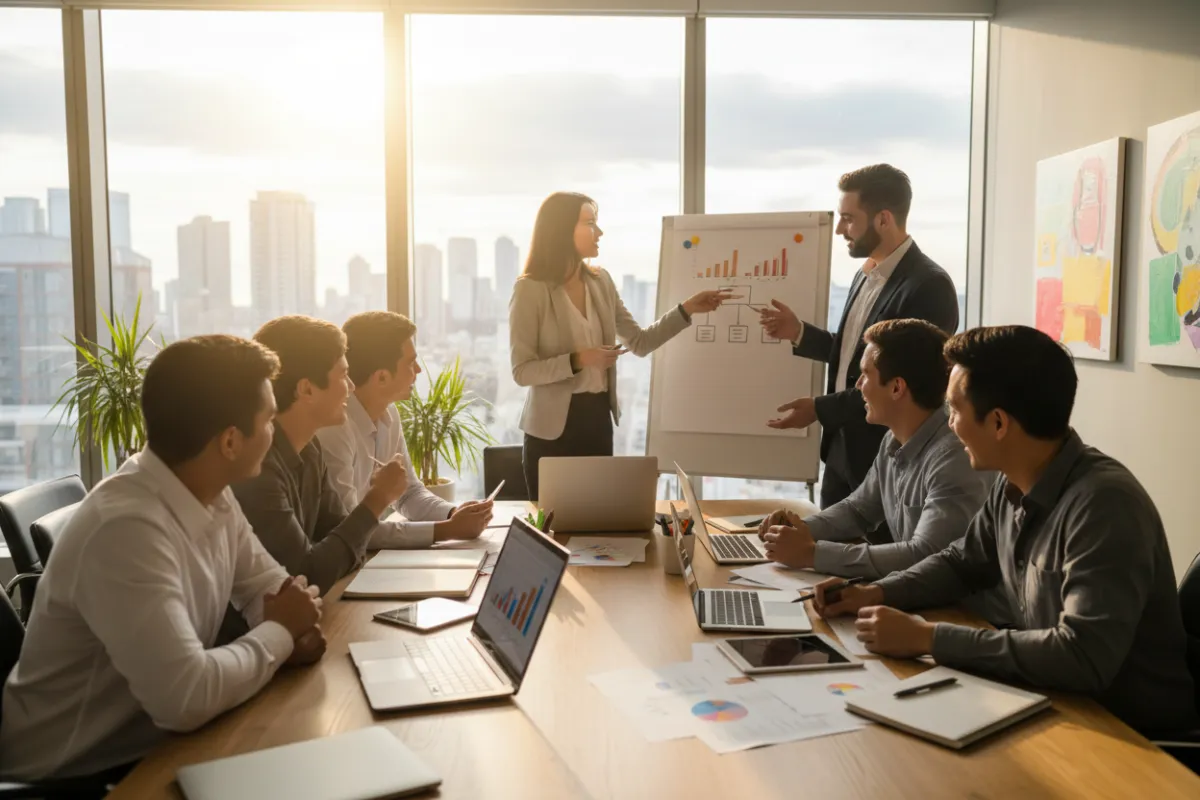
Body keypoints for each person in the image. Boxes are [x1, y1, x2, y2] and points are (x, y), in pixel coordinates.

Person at [813, 325, 1196, 734]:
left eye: (955, 410)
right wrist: (876, 591)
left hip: (1130, 738)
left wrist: (928, 638)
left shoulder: (1105, 506)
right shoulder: (1012, 481)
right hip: (1055, 704)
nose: (950, 424)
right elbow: (961, 562)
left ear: (998, 423)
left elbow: (1082, 656)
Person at [0, 336, 325, 781]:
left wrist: (287, 627)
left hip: (156, 745)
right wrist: (281, 633)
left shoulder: (212, 490)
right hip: (76, 775)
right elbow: (186, 698)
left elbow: (272, 589)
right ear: (230, 440)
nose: (275, 431)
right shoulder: (126, 529)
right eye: (269, 419)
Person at [510, 191, 734, 499]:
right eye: (590, 223)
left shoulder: (601, 282)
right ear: (562, 229)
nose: (599, 232)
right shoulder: (529, 290)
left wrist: (687, 309)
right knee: (553, 534)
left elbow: (640, 342)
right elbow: (522, 371)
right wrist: (580, 359)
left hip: (597, 421)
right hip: (550, 433)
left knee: (598, 528)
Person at [759, 164, 960, 509]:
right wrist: (799, 333)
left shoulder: (929, 286)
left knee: (872, 559)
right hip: (841, 451)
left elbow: (902, 382)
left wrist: (820, 409)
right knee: (826, 553)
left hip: (885, 457)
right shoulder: (865, 274)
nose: (839, 229)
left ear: (883, 219)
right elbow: (858, 355)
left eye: (848, 218)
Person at [757, 319, 992, 582]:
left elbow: (927, 555)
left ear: (896, 388)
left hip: (966, 613)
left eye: (865, 374)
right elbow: (859, 510)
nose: (858, 386)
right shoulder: (894, 438)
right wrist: (796, 530)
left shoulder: (954, 457)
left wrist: (813, 554)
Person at [233, 316, 409, 594]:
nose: (351, 386)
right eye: (342, 375)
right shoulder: (258, 469)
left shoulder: (310, 449)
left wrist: (336, 553)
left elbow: (343, 542)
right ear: (307, 389)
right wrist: (378, 499)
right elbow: (309, 573)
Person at [316, 311, 493, 547]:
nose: (418, 370)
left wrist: (453, 514)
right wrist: (447, 530)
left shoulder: (389, 413)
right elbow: (349, 529)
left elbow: (409, 493)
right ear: (381, 378)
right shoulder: (335, 429)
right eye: (411, 363)